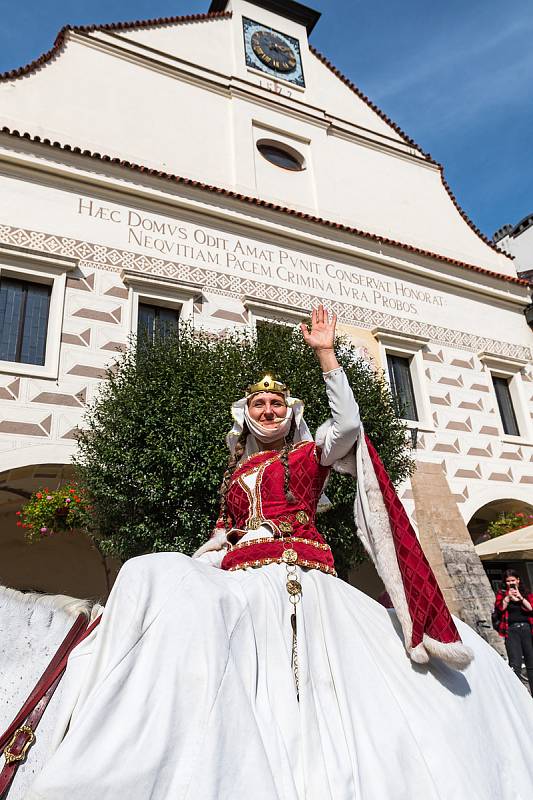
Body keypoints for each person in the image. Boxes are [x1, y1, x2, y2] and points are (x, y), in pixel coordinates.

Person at [27, 306, 533, 800]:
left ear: (290, 414)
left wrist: (327, 357)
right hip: (240, 575)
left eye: (276, 405)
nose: (267, 411)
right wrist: (207, 555)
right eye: (257, 405)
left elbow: (352, 428)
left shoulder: (309, 455)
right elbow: (223, 530)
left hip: (297, 574)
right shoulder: (234, 475)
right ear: (244, 416)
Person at [495, 569, 533, 693]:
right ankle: (517, 694)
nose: (511, 583)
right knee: (515, 663)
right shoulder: (502, 594)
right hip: (511, 630)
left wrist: (520, 597)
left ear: (518, 580)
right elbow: (500, 609)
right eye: (508, 581)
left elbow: (531, 608)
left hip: (527, 629)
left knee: (531, 662)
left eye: (513, 580)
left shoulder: (525, 593)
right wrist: (508, 597)